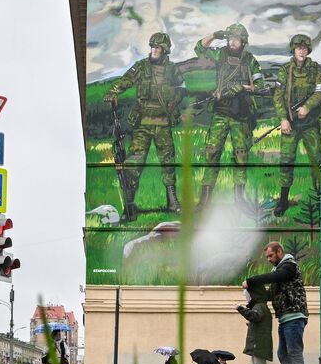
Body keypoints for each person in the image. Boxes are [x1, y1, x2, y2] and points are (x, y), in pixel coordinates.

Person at [106, 32, 186, 219]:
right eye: (152, 47)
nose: (154, 50)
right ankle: (129, 206)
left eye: (158, 47)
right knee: (133, 164)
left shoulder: (172, 70)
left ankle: (172, 201)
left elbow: (182, 89)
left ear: (165, 50)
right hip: (142, 123)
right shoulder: (142, 66)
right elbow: (125, 80)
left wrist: (173, 104)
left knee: (168, 162)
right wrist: (113, 91)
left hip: (163, 123)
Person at [189, 22, 263, 208]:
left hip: (241, 115)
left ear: (243, 41)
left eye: (236, 39)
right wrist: (215, 34)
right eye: (230, 38)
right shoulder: (220, 54)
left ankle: (239, 199)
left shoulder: (250, 60)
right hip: (221, 113)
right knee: (212, 153)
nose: (232, 42)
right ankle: (205, 200)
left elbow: (260, 86)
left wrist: (241, 88)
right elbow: (199, 48)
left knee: (240, 156)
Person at [244, 240, 308, 364]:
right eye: (267, 257)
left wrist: (252, 281)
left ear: (279, 251)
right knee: (282, 354)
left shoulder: (289, 266)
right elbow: (268, 296)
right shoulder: (277, 271)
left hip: (294, 316)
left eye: (271, 255)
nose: (269, 259)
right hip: (284, 318)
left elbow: (276, 276)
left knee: (294, 353)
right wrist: (252, 297)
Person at [273, 34, 321, 217]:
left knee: (318, 161)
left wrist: (307, 107)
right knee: (286, 161)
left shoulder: (315, 69)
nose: (302, 50)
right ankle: (283, 201)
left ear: (308, 50)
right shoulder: (285, 70)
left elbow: (320, 93)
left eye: (305, 48)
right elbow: (278, 96)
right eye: (299, 48)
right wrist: (283, 118)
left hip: (310, 122)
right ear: (293, 49)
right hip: (291, 123)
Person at [235, 282, 274, 364]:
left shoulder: (259, 307)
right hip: (257, 344)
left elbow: (255, 317)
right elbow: (259, 322)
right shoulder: (261, 306)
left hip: (258, 344)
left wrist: (240, 309)